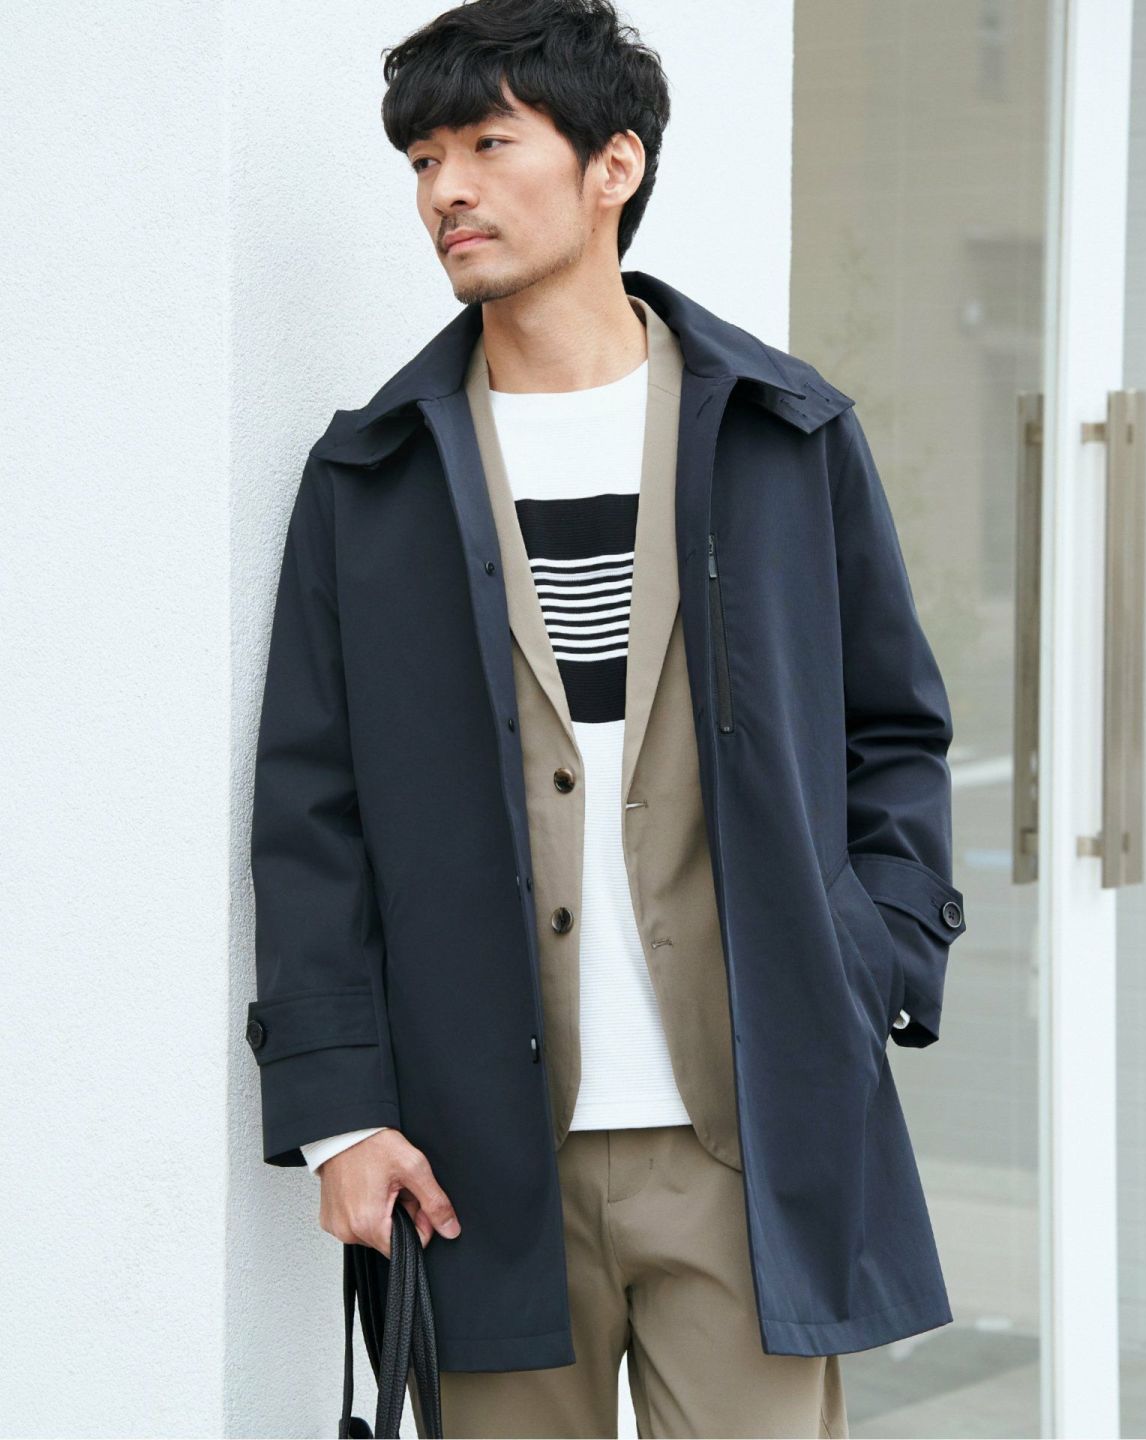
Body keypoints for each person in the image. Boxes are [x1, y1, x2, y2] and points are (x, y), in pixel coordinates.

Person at [245, 2, 967, 1436]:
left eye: (488, 145)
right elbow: (309, 809)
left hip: (746, 1139)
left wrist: (872, 953)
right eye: (423, 160)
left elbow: (893, 729)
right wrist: (341, 1116)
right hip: (472, 1157)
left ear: (612, 166)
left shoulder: (785, 434)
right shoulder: (371, 477)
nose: (444, 191)